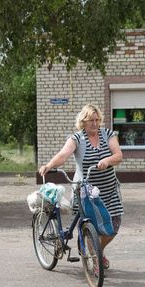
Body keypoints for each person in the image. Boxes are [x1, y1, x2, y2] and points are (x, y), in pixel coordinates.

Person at [38, 104, 123, 269]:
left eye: (97, 120)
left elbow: (118, 155)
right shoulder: (76, 138)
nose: (95, 123)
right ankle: (92, 252)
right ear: (83, 121)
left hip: (109, 190)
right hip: (85, 190)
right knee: (89, 223)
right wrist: (49, 165)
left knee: (114, 225)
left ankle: (98, 250)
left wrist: (107, 161)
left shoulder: (108, 134)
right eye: (91, 120)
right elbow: (63, 155)